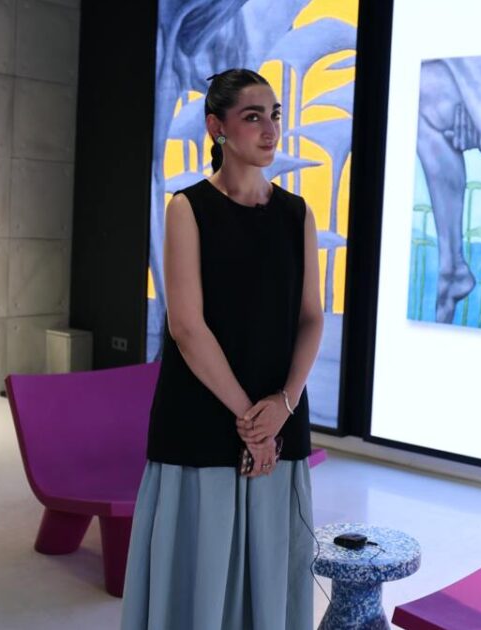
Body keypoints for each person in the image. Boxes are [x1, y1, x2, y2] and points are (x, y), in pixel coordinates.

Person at [120, 68, 323, 630]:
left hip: (278, 418)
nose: (270, 129)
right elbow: (187, 327)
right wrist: (253, 422)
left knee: (272, 569)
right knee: (201, 575)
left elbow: (311, 318)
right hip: (203, 418)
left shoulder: (297, 214)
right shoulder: (188, 208)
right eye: (252, 117)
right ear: (217, 128)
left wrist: (283, 404)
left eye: (274, 115)